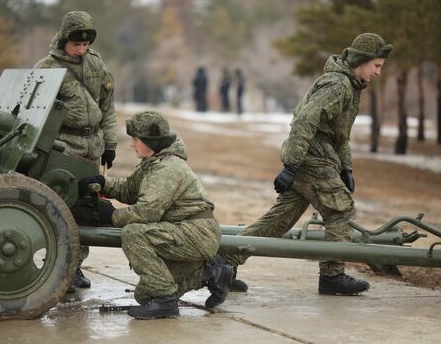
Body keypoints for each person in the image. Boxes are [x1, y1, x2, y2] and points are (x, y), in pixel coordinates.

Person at [220, 33, 393, 295]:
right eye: (377, 66)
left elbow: (340, 134)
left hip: (317, 156)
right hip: (311, 157)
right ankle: (333, 277)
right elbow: (304, 122)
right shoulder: (338, 86)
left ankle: (224, 261)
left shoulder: (351, 86)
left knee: (279, 220)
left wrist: (346, 168)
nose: (379, 72)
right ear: (362, 61)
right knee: (341, 211)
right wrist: (291, 166)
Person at [79, 111, 233, 319]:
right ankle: (211, 275)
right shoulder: (153, 163)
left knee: (134, 233)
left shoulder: (167, 168)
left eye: (136, 139)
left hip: (196, 233)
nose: (132, 144)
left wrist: (112, 215)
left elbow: (147, 212)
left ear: (150, 141)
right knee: (145, 294)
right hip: (184, 231)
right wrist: (104, 183)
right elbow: (130, 190)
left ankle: (166, 303)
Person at [35, 11, 118, 292]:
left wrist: (110, 144)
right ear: (64, 40)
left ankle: (76, 267)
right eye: (76, 45)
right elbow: (35, 113)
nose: (81, 50)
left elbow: (107, 106)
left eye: (85, 45)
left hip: (92, 145)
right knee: (60, 205)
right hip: (63, 147)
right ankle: (57, 264)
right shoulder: (47, 69)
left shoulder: (95, 63)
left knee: (86, 206)